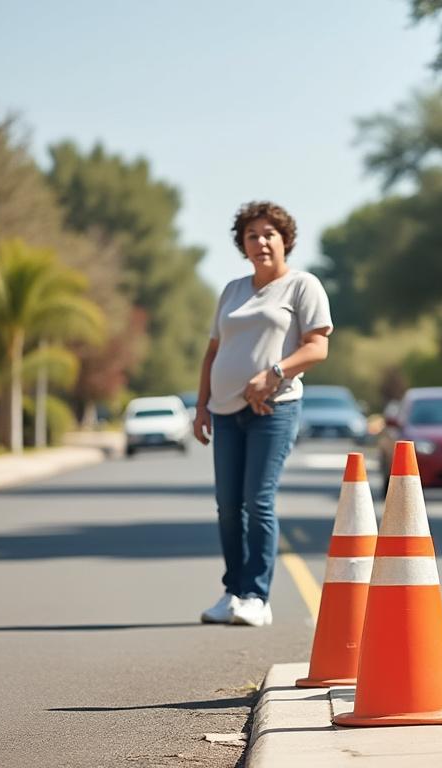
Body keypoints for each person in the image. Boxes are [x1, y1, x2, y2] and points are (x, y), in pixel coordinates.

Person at [193, 201, 332, 627]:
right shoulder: (232, 290)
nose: (261, 242)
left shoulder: (302, 286)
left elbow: (317, 347)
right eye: (252, 236)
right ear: (243, 245)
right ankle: (232, 592)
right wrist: (201, 406)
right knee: (227, 505)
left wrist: (273, 374)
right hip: (225, 410)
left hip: (274, 407)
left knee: (258, 500)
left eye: (269, 234)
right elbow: (214, 351)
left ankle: (257, 596)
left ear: (284, 239)